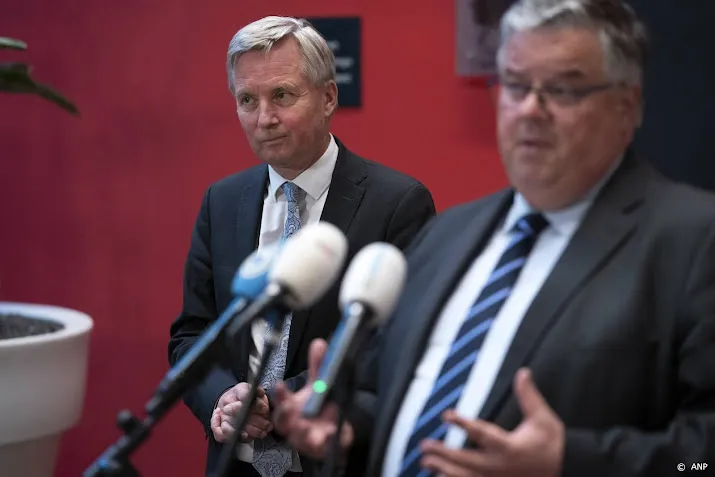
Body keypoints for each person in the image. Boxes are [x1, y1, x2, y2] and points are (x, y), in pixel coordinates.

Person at [271, 1, 715, 476]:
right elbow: (385, 394)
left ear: (627, 105)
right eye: (516, 84)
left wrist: (571, 461)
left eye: (563, 90)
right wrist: (348, 424)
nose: (530, 109)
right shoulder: (447, 234)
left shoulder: (693, 240)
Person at [167, 15, 435, 477]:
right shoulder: (222, 202)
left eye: (282, 96)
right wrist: (222, 399)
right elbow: (192, 334)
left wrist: (275, 401)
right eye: (247, 100)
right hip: (235, 463)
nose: (264, 119)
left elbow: (395, 345)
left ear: (328, 97)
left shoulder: (397, 203)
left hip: (335, 459)